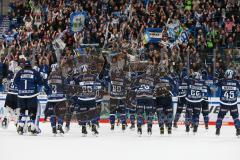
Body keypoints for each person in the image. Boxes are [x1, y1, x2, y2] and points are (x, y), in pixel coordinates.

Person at [14, 60, 44, 135]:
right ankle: (31, 128)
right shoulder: (34, 72)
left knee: (22, 112)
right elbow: (40, 82)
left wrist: (21, 88)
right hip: (32, 95)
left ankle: (20, 127)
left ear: (24, 65)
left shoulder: (20, 72)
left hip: (21, 95)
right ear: (30, 65)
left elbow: (15, 82)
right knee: (32, 112)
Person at [75, 64, 99, 136]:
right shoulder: (93, 77)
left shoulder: (78, 77)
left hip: (81, 99)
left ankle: (83, 128)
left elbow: (75, 87)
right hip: (91, 99)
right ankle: (94, 127)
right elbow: (98, 86)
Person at [215, 69, 240, 136]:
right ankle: (238, 130)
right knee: (236, 117)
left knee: (220, 116)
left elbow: (215, 83)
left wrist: (217, 76)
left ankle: (218, 130)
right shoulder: (236, 82)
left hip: (224, 103)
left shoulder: (222, 81)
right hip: (233, 103)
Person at [132, 64, 155, 135]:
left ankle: (139, 126)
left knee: (140, 113)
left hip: (140, 97)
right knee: (149, 113)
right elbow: (155, 88)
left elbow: (134, 87)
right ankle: (149, 127)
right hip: (149, 97)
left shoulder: (139, 77)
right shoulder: (153, 78)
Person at [45, 64, 67, 135]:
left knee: (52, 113)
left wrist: (49, 94)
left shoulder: (48, 78)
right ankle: (59, 126)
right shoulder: (62, 77)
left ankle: (53, 127)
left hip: (51, 98)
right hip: (60, 98)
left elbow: (45, 88)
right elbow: (65, 87)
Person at [154, 66, 176, 135]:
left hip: (159, 98)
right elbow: (174, 87)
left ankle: (161, 127)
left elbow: (152, 88)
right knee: (169, 113)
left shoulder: (155, 78)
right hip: (167, 98)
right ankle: (169, 127)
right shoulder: (169, 78)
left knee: (160, 113)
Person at [1, 64, 21, 129]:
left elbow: (4, 82)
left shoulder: (10, 76)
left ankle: (5, 118)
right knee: (17, 111)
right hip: (17, 96)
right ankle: (17, 124)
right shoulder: (21, 77)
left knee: (8, 110)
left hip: (9, 94)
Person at [109, 65, 127, 131]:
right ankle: (123, 125)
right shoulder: (123, 79)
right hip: (121, 97)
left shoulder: (112, 78)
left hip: (113, 97)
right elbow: (125, 87)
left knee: (112, 112)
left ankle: (112, 125)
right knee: (122, 112)